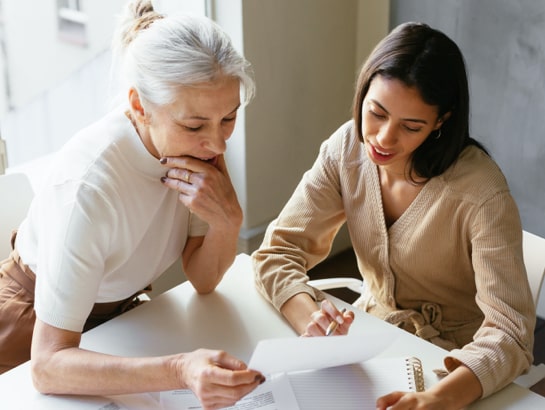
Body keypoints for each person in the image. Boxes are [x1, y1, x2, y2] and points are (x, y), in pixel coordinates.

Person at [252, 22, 536, 409]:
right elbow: (277, 252)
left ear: (441, 121)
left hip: (455, 365)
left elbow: (512, 332)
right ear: (363, 90)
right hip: (368, 344)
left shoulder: (481, 192)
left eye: (411, 126)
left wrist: (440, 399)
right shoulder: (346, 149)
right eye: (377, 112)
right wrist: (311, 323)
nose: (383, 138)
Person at [0, 0, 264, 407]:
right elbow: (47, 365)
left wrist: (228, 222)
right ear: (140, 106)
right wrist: (179, 368)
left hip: (119, 318)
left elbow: (204, 277)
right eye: (194, 125)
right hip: (31, 327)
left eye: (229, 118)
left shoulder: (199, 147)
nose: (218, 143)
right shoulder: (89, 186)